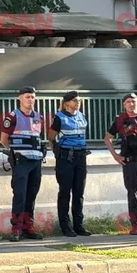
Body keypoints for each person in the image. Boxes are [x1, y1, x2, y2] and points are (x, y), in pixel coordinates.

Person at [104, 93, 137, 235]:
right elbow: (108, 138)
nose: (131, 104)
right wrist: (115, 156)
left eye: (133, 101)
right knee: (132, 193)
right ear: (124, 105)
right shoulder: (120, 119)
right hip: (129, 162)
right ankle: (136, 225)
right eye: (128, 102)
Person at [0, 87, 47, 240]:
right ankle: (17, 229)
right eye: (27, 97)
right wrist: (15, 152)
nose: (30, 100)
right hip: (21, 162)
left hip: (36, 162)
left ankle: (28, 227)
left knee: (31, 195)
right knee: (20, 195)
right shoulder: (13, 116)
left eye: (32, 97)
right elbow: (4, 140)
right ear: (20, 99)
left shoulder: (39, 116)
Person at [49, 91, 90, 237]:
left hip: (81, 157)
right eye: (75, 100)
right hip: (66, 158)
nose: (78, 103)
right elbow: (51, 137)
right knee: (65, 192)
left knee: (79, 192)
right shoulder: (59, 117)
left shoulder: (81, 116)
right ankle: (65, 226)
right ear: (67, 103)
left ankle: (78, 225)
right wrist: (57, 154)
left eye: (79, 100)